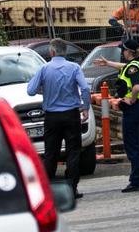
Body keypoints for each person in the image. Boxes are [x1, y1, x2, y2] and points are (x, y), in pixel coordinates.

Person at [26, 38, 91, 200]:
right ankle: (72, 188)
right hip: (71, 115)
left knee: (51, 153)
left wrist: (45, 90)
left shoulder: (44, 69)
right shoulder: (74, 68)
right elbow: (84, 87)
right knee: (73, 152)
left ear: (52, 52)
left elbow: (31, 90)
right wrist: (85, 107)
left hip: (52, 117)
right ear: (65, 52)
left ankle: (49, 191)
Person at [96, 38, 139, 193]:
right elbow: (127, 67)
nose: (122, 52)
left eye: (123, 50)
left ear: (128, 52)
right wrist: (108, 63)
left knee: (132, 146)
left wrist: (131, 100)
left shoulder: (132, 68)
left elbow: (135, 87)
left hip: (133, 110)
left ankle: (136, 182)